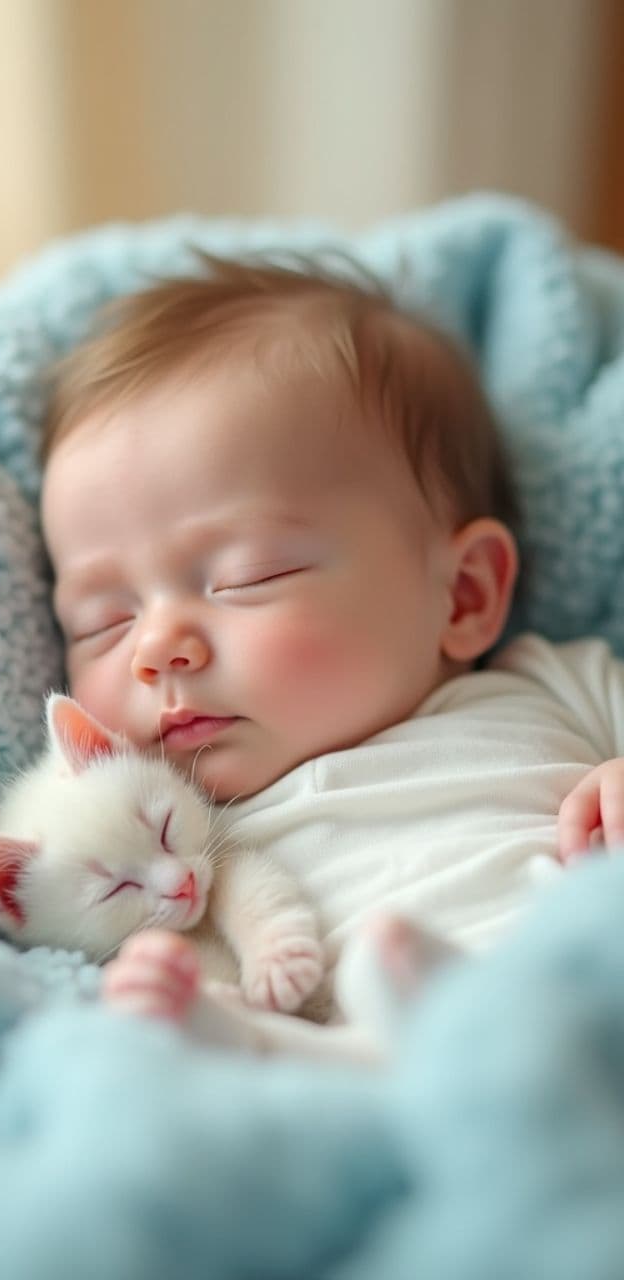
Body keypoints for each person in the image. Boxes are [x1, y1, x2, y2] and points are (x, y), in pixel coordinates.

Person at [39, 254, 624, 1057]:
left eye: (250, 577)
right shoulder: (191, 854)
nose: (155, 648)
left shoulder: (554, 684)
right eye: (102, 623)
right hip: (387, 1073)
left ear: (463, 596)